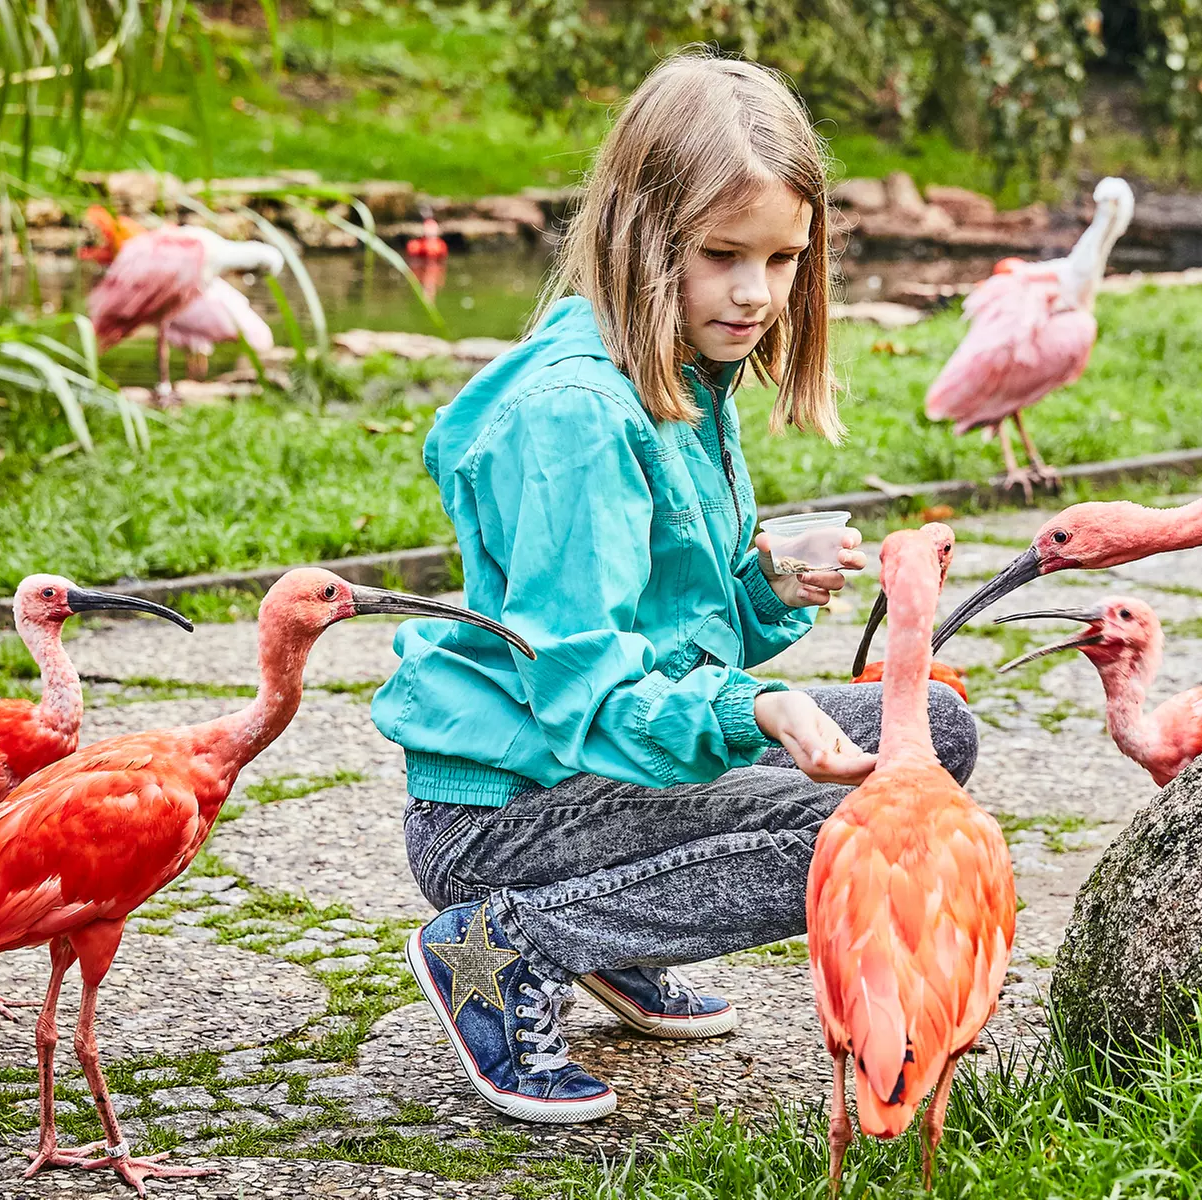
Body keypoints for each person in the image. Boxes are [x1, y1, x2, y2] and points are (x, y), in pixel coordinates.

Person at [372, 48, 977, 1124]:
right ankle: (507, 945)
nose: (755, 293)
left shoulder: (691, 369)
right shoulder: (577, 418)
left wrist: (761, 596)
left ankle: (614, 932)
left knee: (926, 736)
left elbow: (673, 636)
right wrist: (760, 706)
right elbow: (589, 697)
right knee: (856, 825)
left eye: (784, 258)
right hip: (506, 810)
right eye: (721, 254)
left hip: (589, 776)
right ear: (642, 238)